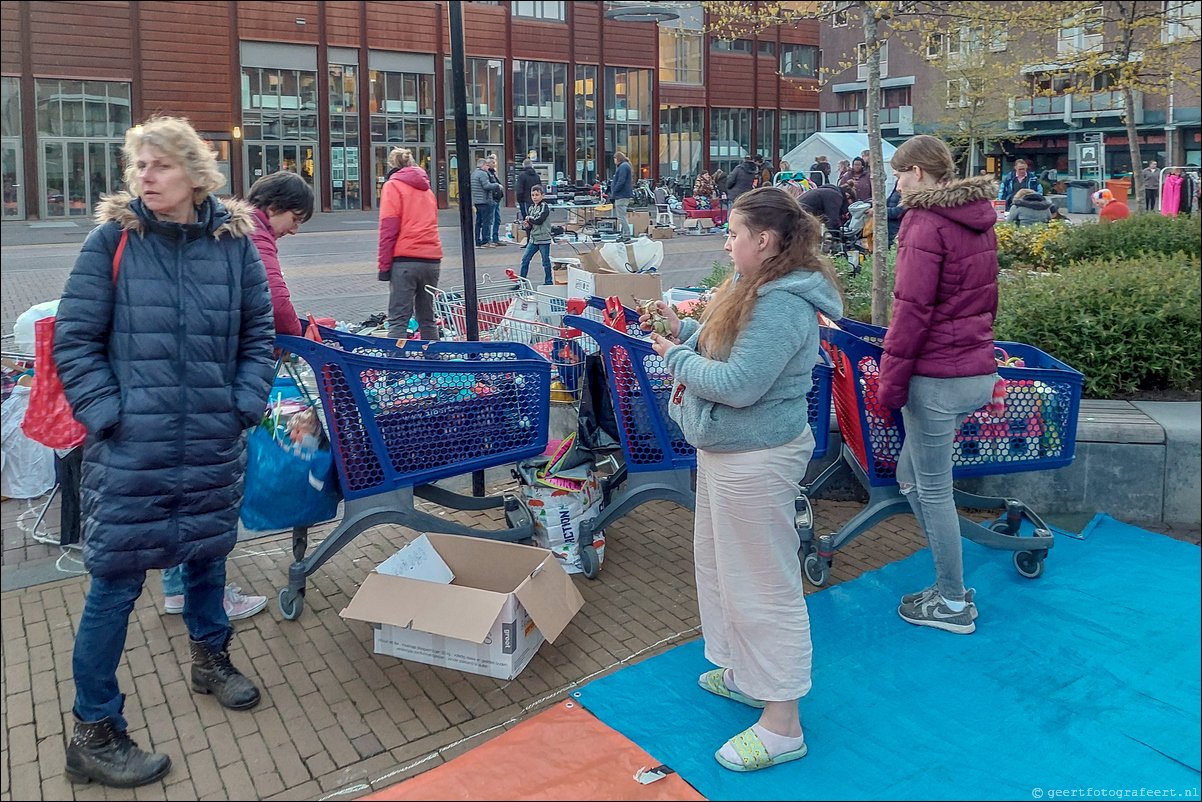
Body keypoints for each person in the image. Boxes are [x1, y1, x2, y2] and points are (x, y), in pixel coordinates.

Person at [54, 115, 274, 787]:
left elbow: (258, 333)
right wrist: (110, 416)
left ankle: (212, 661)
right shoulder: (111, 242)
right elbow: (74, 339)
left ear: (194, 174)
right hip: (134, 449)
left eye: (159, 165)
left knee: (208, 558)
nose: (145, 177)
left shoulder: (233, 246)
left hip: (209, 439)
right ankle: (93, 731)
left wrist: (243, 402)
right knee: (115, 586)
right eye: (139, 166)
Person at [642, 185, 843, 772]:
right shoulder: (749, 284)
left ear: (766, 240)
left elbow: (738, 384)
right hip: (729, 451)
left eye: (732, 233)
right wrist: (681, 337)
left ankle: (783, 723)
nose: (725, 242)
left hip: (757, 456)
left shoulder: (781, 301)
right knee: (721, 566)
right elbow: (722, 348)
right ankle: (748, 675)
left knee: (762, 583)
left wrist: (672, 356)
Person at [160, 169, 316, 620]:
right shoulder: (253, 234)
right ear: (273, 208)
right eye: (295, 217)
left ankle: (177, 585)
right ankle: (198, 593)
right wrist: (300, 333)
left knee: (190, 483)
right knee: (209, 486)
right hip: (219, 377)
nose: (296, 228)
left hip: (196, 373)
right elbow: (276, 305)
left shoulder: (221, 228)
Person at [877, 134, 1001, 635]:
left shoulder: (923, 221)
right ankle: (946, 580)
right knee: (913, 477)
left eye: (900, 173)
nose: (896, 183)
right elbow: (983, 298)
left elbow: (910, 310)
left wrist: (890, 384)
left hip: (937, 376)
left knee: (932, 491)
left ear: (921, 173)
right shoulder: (978, 217)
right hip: (974, 368)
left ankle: (952, 602)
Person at [378, 147, 443, 339]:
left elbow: (388, 229)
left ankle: (396, 366)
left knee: (399, 319)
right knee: (427, 318)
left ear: (392, 165)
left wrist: (384, 266)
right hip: (431, 260)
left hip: (405, 260)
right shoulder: (428, 190)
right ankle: (432, 362)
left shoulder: (392, 186)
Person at [519, 184, 554, 285]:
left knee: (545, 262)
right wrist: (528, 225)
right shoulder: (531, 208)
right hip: (533, 239)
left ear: (542, 195)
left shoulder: (544, 206)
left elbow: (539, 220)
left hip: (543, 238)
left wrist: (529, 219)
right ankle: (521, 281)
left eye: (537, 195)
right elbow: (532, 226)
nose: (534, 197)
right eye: (532, 195)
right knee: (525, 260)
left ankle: (548, 282)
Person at [471, 158, 495, 248]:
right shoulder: (483, 174)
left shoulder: (474, 173)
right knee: (486, 222)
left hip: (477, 201)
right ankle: (485, 241)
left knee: (478, 222)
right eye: (487, 166)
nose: (488, 168)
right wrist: (497, 186)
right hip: (485, 201)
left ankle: (478, 241)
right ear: (483, 165)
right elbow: (487, 186)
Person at [610, 151, 634, 237]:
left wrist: (614, 191)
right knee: (622, 215)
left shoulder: (623, 167)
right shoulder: (625, 166)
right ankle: (624, 233)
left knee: (621, 216)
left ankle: (626, 234)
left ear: (618, 158)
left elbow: (621, 181)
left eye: (614, 158)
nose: (614, 161)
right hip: (623, 195)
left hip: (621, 195)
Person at [486, 155, 505, 245]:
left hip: (497, 199)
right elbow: (488, 185)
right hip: (492, 199)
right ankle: (489, 239)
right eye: (493, 162)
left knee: (497, 219)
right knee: (491, 220)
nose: (495, 164)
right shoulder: (487, 173)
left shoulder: (493, 173)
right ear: (488, 163)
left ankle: (495, 238)